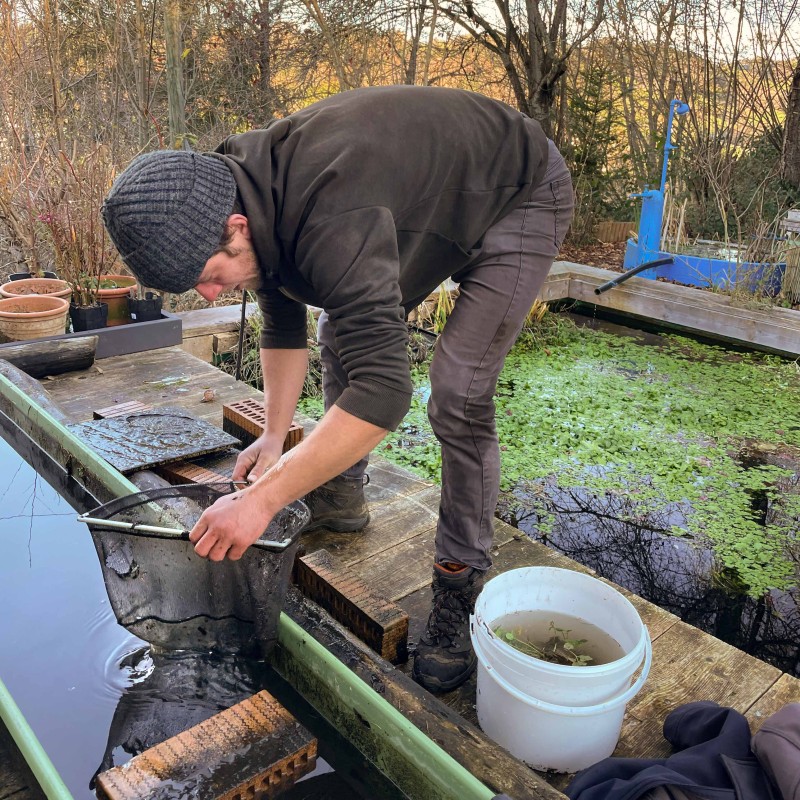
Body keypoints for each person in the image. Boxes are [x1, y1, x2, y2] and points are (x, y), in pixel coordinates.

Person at [101, 85, 574, 693]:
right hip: (419, 201)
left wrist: (262, 500)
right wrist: (273, 438)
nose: (212, 297)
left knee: (458, 390)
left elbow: (384, 393)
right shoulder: (233, 184)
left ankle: (460, 581)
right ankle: (342, 500)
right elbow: (281, 321)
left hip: (518, 191)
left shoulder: (329, 214)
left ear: (236, 228)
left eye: (210, 279)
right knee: (337, 320)